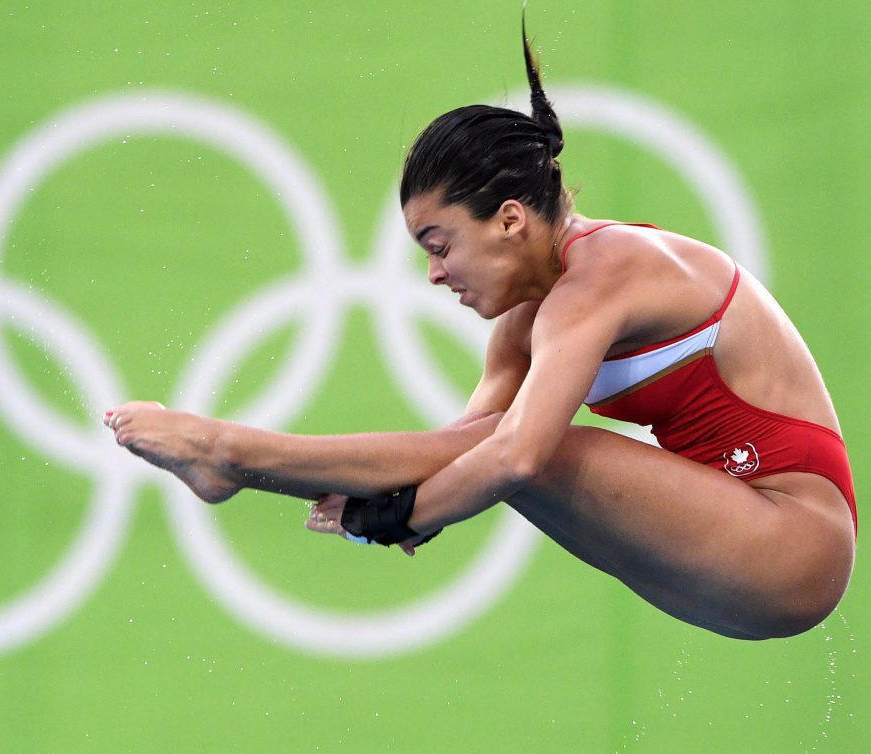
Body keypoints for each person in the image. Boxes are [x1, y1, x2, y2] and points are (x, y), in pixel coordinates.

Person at [101, 26, 856, 640]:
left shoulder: (607, 274)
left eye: (439, 245)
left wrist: (394, 516)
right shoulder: (533, 313)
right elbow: (460, 443)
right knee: (499, 442)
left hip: (792, 546)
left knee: (543, 448)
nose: (434, 275)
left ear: (510, 219)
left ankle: (229, 452)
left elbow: (518, 457)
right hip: (719, 565)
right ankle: (234, 459)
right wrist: (383, 502)